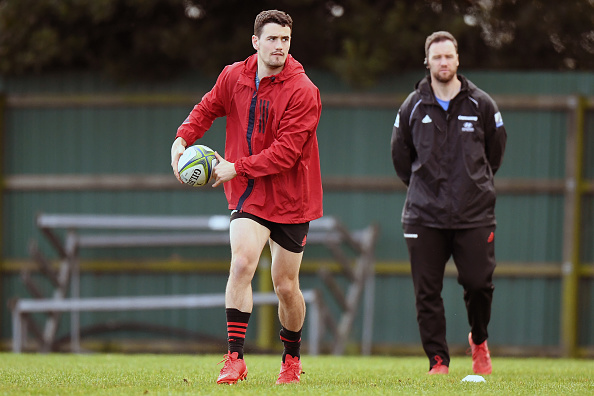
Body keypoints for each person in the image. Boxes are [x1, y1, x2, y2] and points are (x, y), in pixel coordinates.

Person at [171, 10, 322, 385]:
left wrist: (236, 167)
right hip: (248, 194)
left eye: (285, 40)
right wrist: (181, 139)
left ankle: (290, 360)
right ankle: (235, 358)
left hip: (291, 198)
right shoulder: (233, 75)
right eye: (272, 39)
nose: (279, 46)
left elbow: (287, 152)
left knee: (286, 285)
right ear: (256, 42)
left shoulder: (304, 91)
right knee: (241, 264)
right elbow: (207, 109)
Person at [390, 31, 507, 375]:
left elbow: (494, 155)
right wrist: (426, 190)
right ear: (427, 61)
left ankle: (480, 340)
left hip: (474, 214)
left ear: (458, 59)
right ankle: (438, 361)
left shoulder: (481, 104)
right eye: (437, 57)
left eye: (449, 56)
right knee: (427, 292)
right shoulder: (412, 106)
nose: (443, 62)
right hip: (424, 215)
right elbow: (400, 158)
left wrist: (473, 185)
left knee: (478, 284)